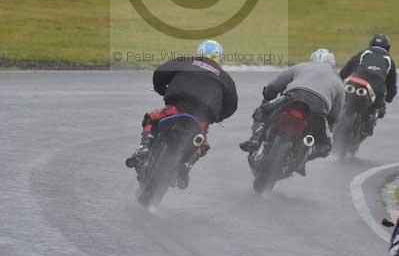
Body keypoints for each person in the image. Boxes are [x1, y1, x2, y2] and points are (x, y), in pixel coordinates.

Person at [125, 40, 238, 189]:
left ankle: (144, 147)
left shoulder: (187, 60)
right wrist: (217, 117)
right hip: (201, 119)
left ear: (200, 52)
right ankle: (186, 165)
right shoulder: (225, 77)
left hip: (178, 107)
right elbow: (232, 105)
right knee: (202, 144)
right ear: (220, 58)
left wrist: (162, 89)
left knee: (151, 118)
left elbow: (160, 72)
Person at [240, 49, 345, 172]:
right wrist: (330, 124)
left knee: (262, 111)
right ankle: (304, 157)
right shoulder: (338, 80)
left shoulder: (301, 66)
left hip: (293, 97)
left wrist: (268, 96)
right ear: (332, 64)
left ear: (312, 59)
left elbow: (275, 84)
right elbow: (337, 109)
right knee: (325, 147)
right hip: (318, 107)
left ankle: (255, 139)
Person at [340, 34, 397, 134]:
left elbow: (349, 67)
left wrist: (341, 77)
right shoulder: (389, 60)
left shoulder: (364, 52)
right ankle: (369, 120)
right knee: (380, 109)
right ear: (388, 47)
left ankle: (341, 115)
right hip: (376, 88)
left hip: (356, 81)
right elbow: (392, 85)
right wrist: (389, 98)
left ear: (371, 44)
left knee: (344, 100)